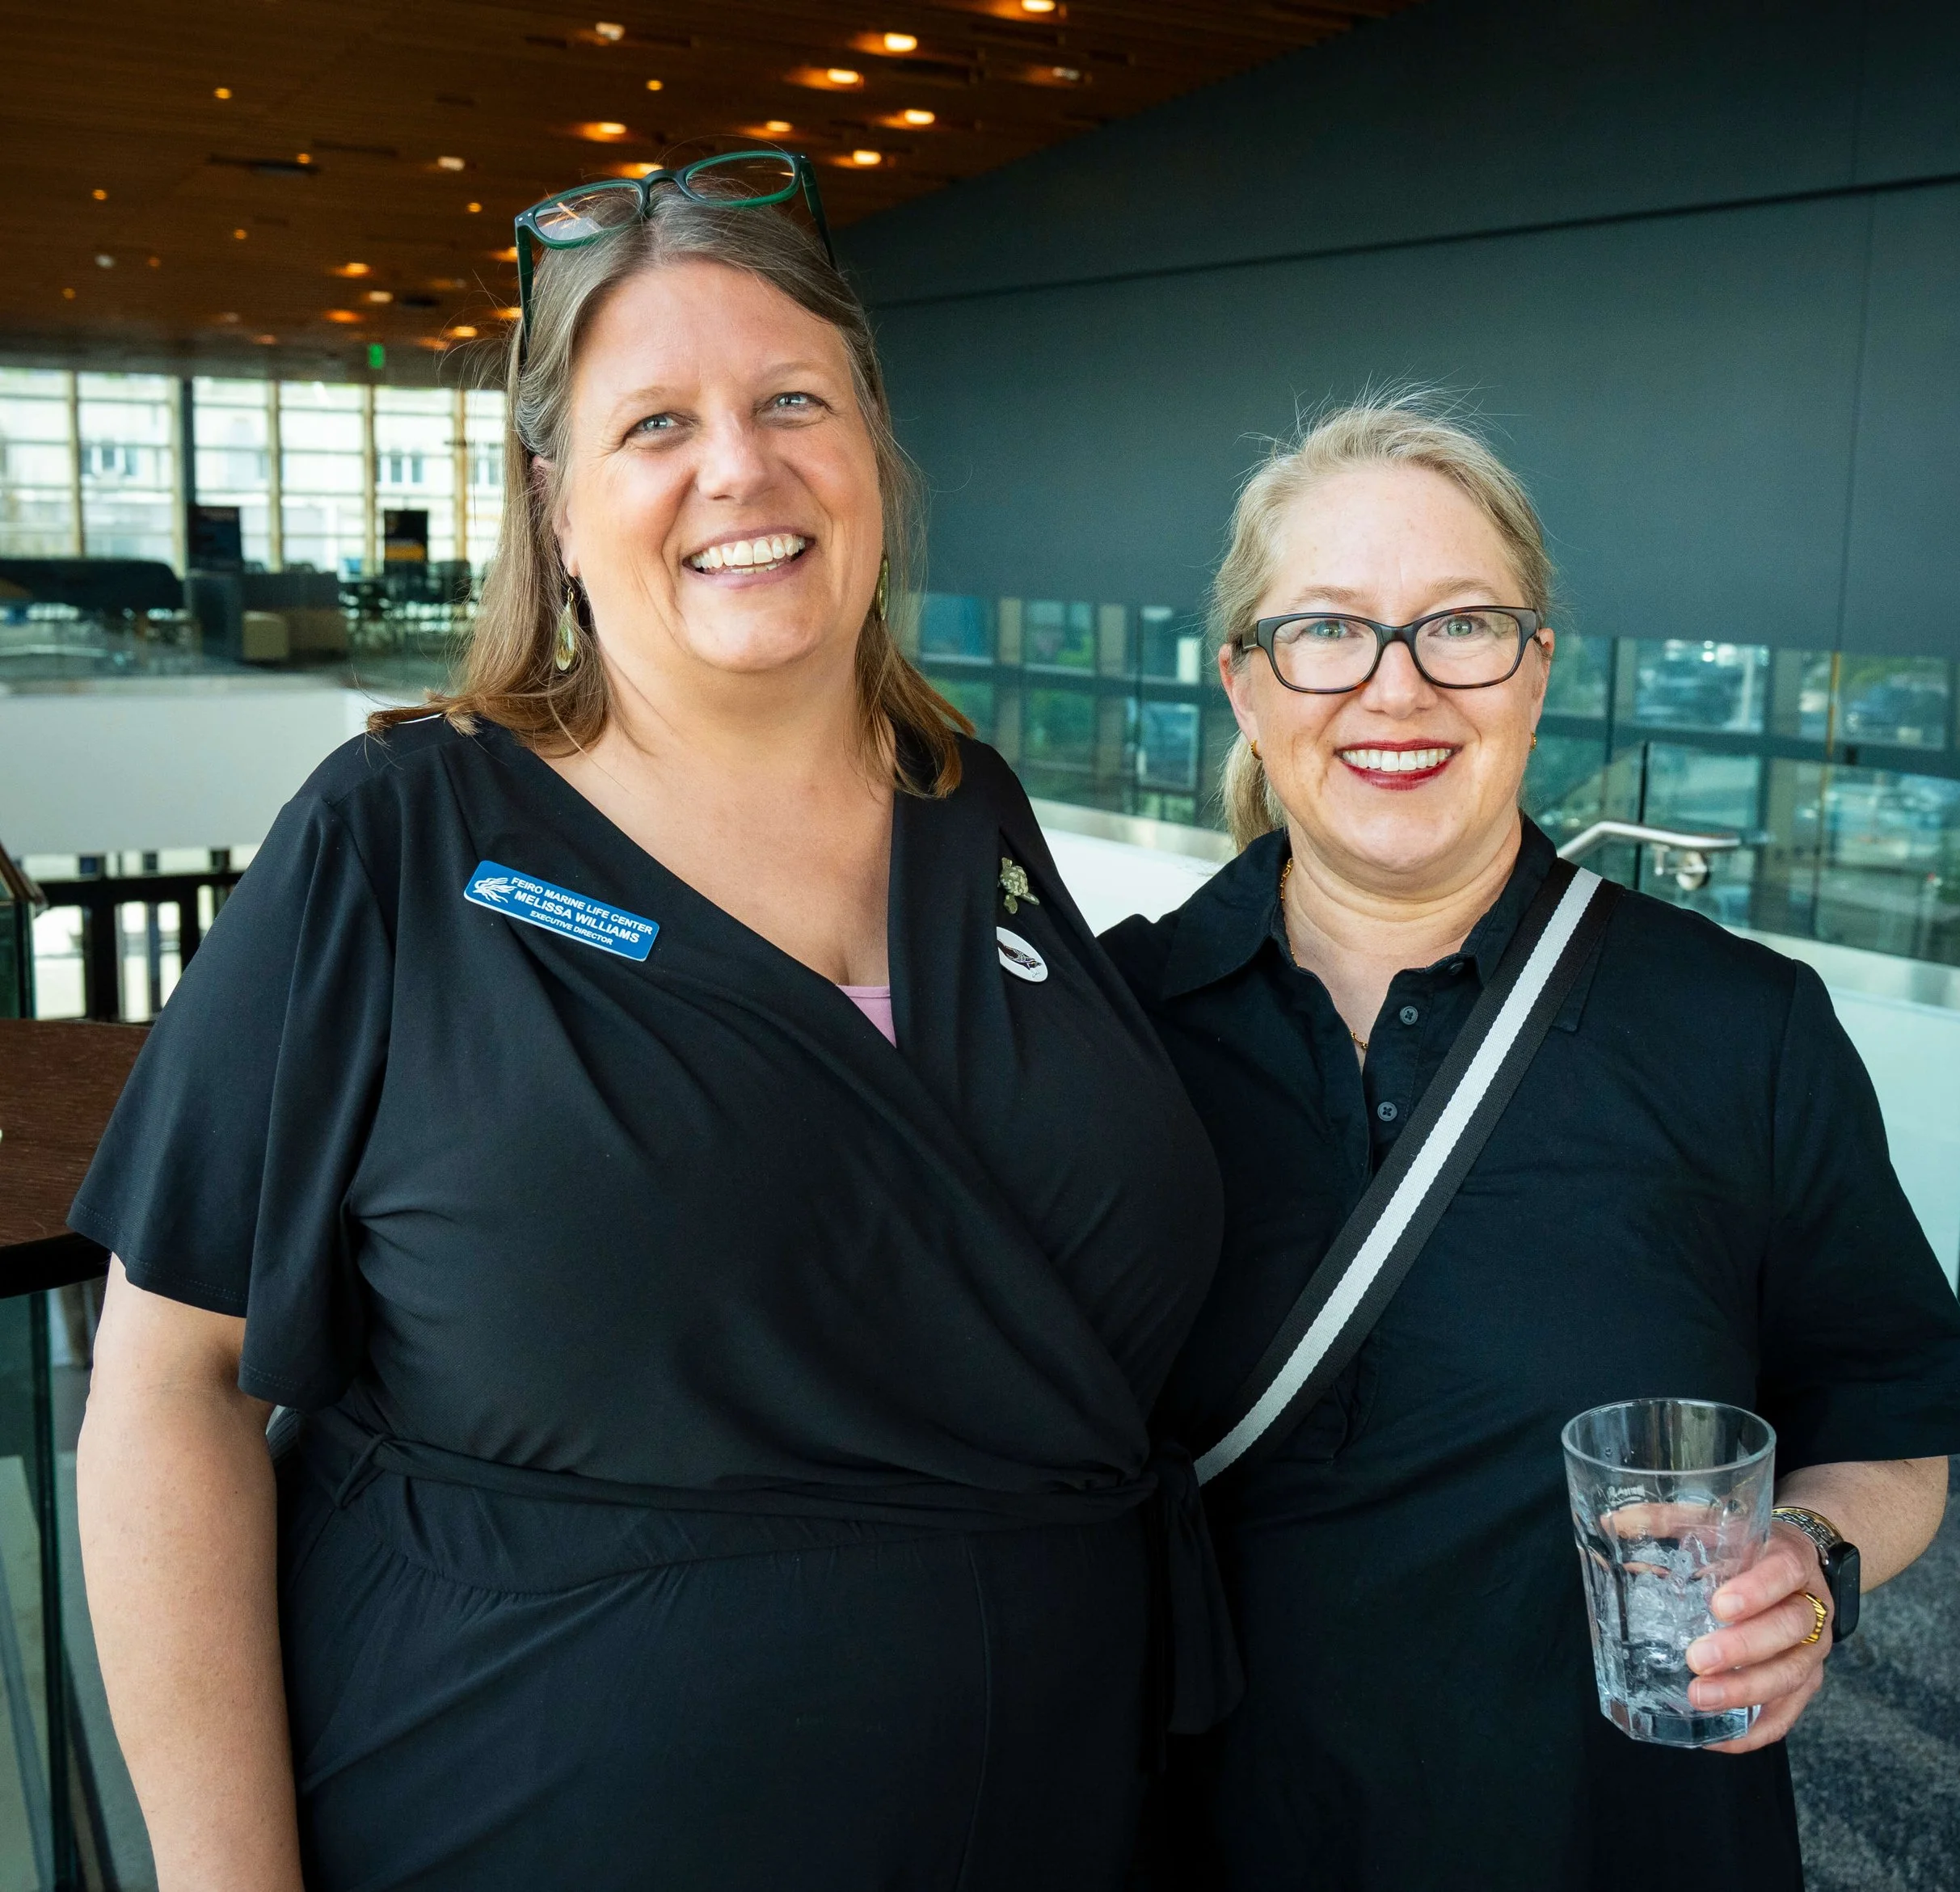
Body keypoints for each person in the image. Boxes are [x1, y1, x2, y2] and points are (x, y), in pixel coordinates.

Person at [74, 158, 1231, 1892]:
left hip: (1044, 1805)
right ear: (550, 502)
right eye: (653, 424)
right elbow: (167, 1395)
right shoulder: (402, 835)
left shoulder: (965, 808)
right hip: (511, 1807)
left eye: (789, 402)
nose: (739, 467)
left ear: (869, 456)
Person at [1104, 400, 1960, 1892]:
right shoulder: (1108, 1031)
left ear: (1536, 672)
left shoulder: (1740, 1029)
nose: (1397, 691)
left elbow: (1888, 1430)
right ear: (1246, 686)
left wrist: (1812, 1571)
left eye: (1461, 625)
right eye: (1328, 630)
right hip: (1200, 1837)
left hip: (1617, 1841)